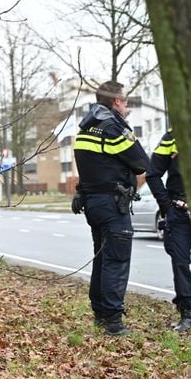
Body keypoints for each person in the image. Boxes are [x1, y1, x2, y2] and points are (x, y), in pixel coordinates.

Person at [72, 81, 149, 335]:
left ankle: (100, 313)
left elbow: (89, 166)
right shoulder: (113, 127)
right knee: (116, 260)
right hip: (112, 204)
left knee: (102, 258)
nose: (126, 105)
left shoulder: (85, 127)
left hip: (93, 203)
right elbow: (141, 162)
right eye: (125, 101)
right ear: (116, 101)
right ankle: (113, 322)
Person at [145, 128, 191, 331]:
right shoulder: (172, 137)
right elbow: (152, 174)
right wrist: (166, 206)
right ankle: (187, 313)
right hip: (179, 213)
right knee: (180, 263)